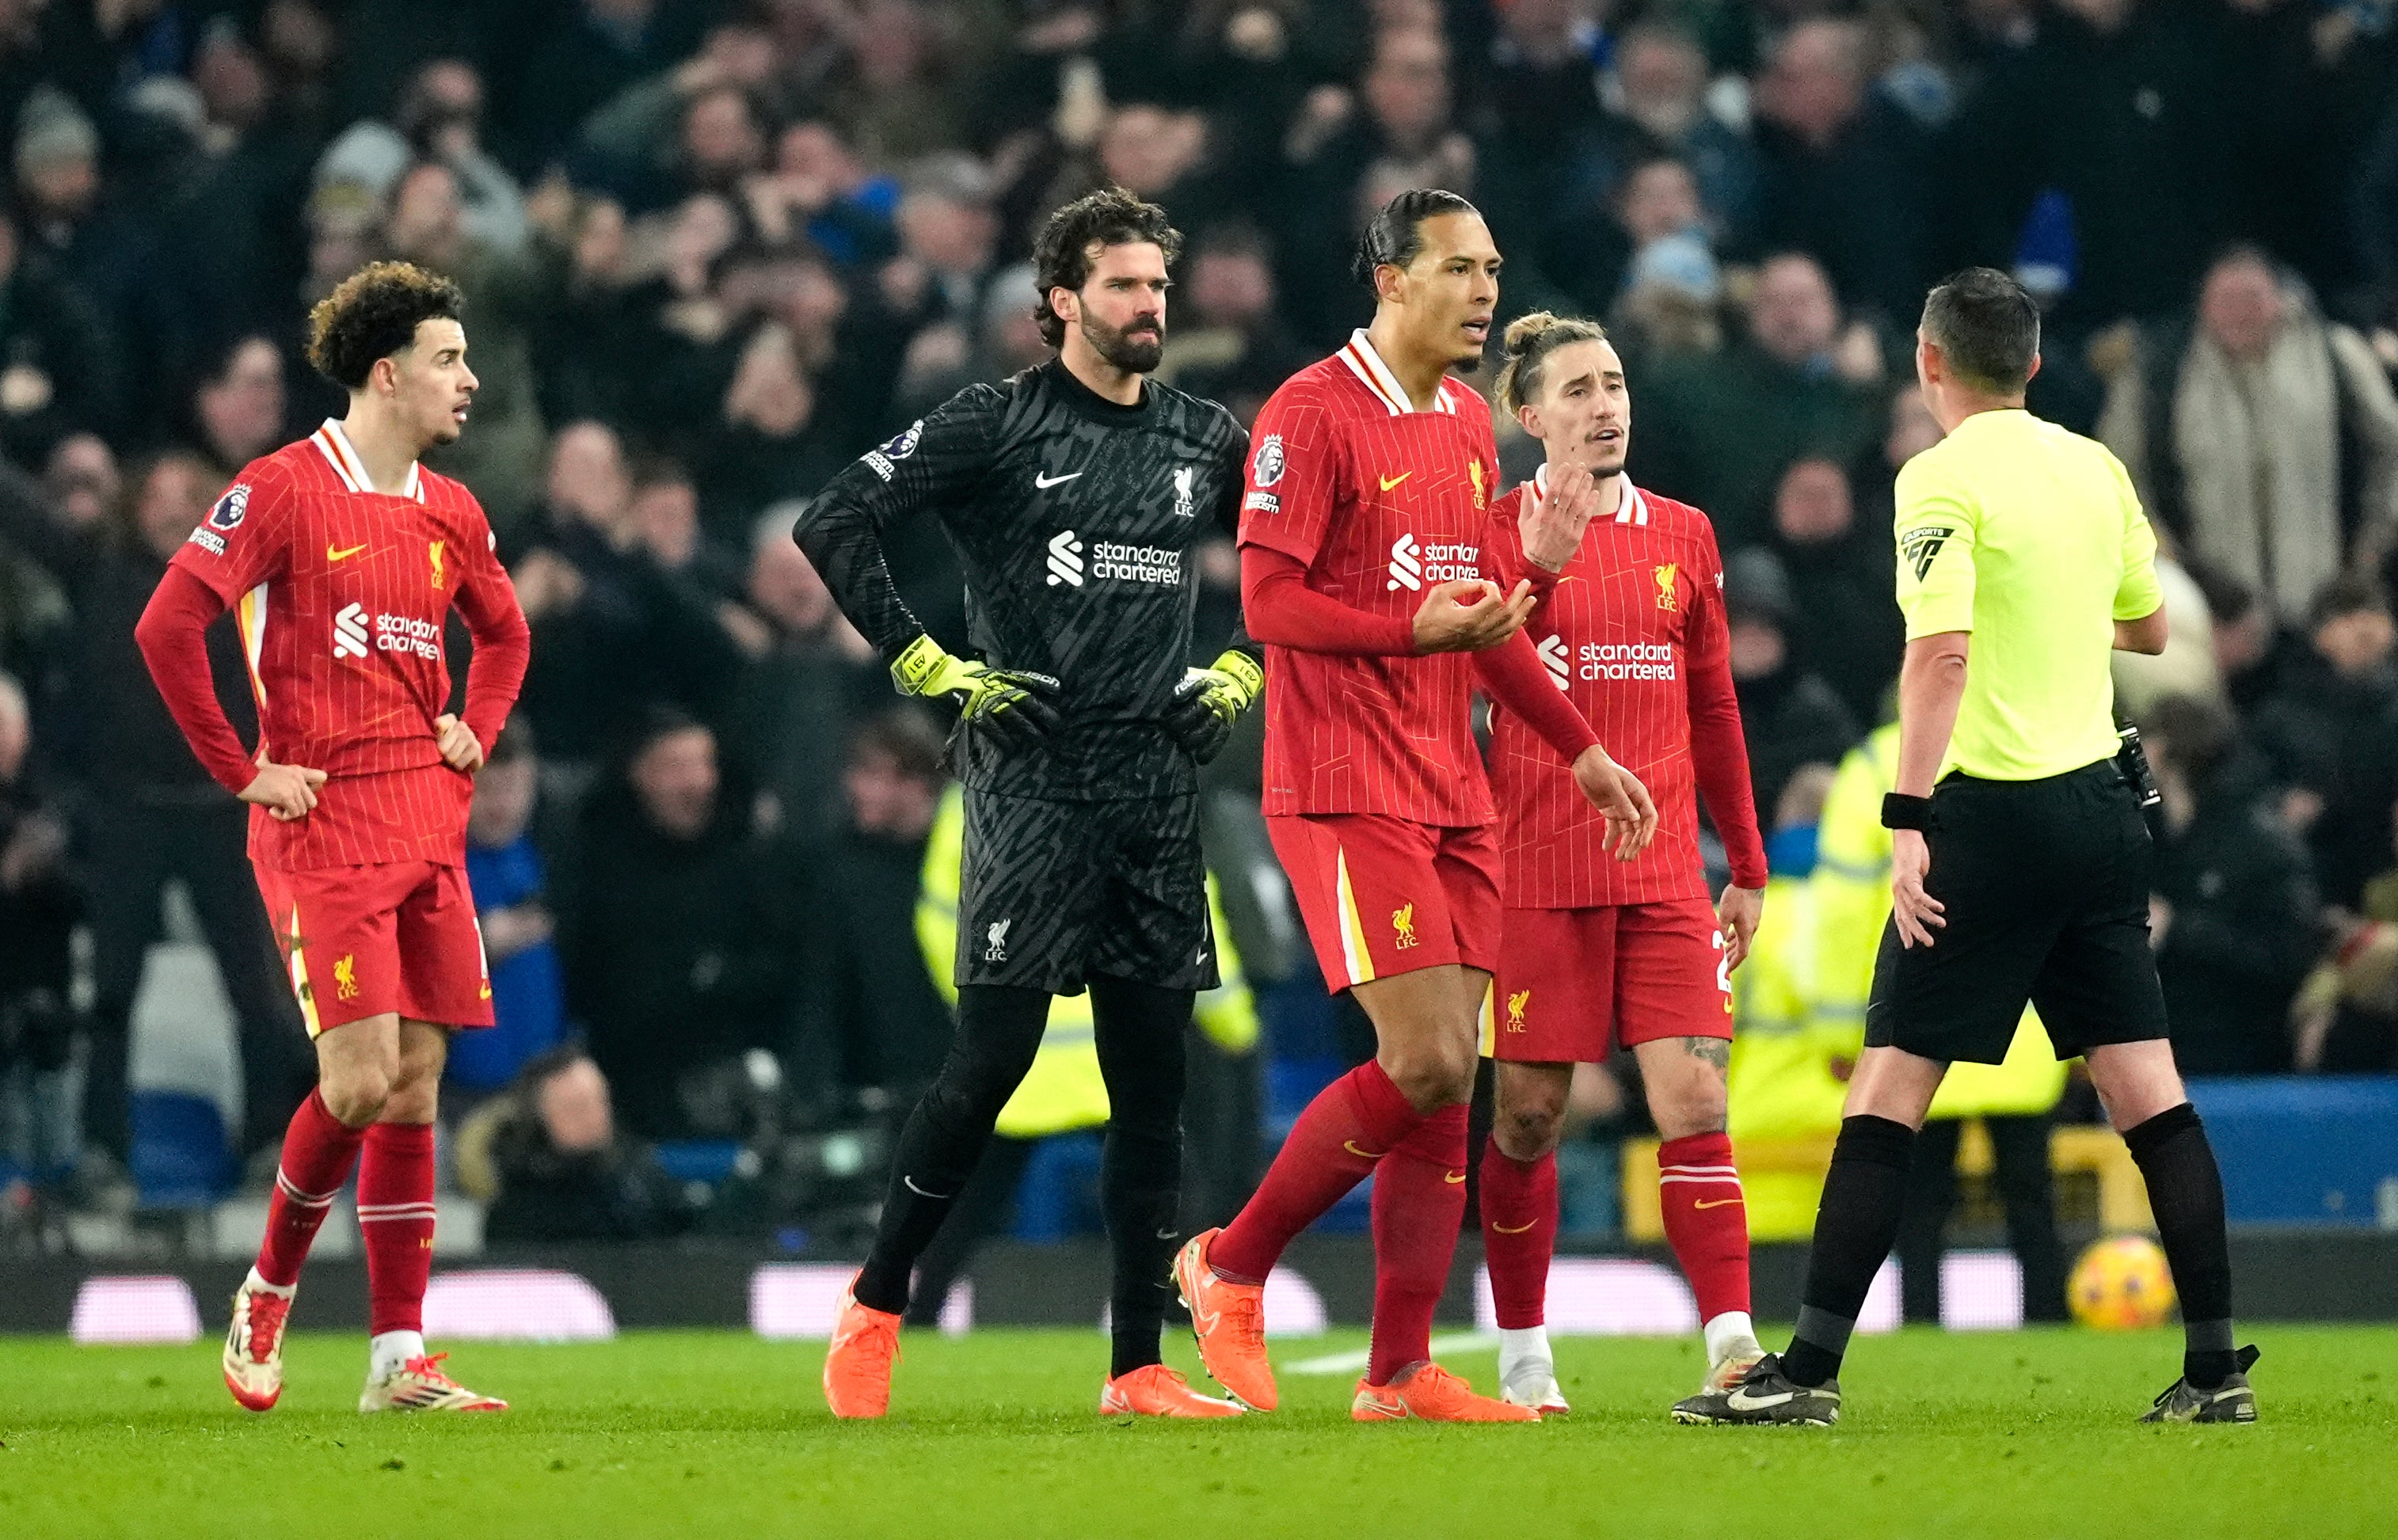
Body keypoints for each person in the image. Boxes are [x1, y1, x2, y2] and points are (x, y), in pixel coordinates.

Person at [1681, 268, 2256, 1427]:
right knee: (2147, 1088)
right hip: (2102, 806)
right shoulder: (2093, 465)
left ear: (1928, 363)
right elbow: (2146, 622)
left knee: (1891, 1088)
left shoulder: (1935, 477)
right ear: (2036, 365)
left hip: (1990, 812)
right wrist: (2052, 603)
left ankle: (1807, 1369)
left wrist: (1906, 821)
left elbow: (1937, 655)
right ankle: (2212, 1372)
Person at [1174, 189, 1657, 1425]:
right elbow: (1272, 607)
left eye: (1494, 266)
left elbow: (1485, 622)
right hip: (1342, 782)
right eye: (1459, 267)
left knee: (1453, 1079)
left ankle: (1397, 1370)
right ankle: (1228, 1264)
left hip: (1456, 784)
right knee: (1432, 1056)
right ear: (1391, 280)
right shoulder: (1309, 412)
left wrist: (1580, 745)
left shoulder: (1461, 425)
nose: (1486, 289)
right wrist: (1410, 627)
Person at [797, 188, 1264, 1420]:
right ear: (1060, 301)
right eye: (1122, 286)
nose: (1148, 305)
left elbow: (1290, 562)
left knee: (1149, 1085)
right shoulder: (995, 425)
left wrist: (1237, 666)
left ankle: (1135, 1367)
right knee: (989, 1063)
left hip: (1156, 789)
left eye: (1158, 285)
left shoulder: (1205, 438)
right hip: (1031, 783)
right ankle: (878, 1298)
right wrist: (927, 662)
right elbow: (834, 517)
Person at [134, 261, 531, 1416]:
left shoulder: (452, 511)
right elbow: (169, 625)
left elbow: (504, 639)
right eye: (451, 357)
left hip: (427, 820)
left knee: (415, 1089)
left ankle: (398, 1356)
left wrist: (477, 731)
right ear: (388, 370)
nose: (471, 379)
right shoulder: (282, 489)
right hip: (322, 822)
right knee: (357, 1080)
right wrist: (242, 770)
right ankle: (267, 1285)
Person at [1465, 311, 1771, 1416]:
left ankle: (1734, 1342)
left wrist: (1745, 861)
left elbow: (1715, 704)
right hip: (1537, 863)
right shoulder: (1495, 532)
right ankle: (1523, 1347)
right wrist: (1539, 576)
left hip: (1664, 876)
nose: (1606, 406)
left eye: (1616, 383)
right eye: (1579, 389)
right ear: (1529, 413)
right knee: (1531, 1115)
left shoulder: (1685, 534)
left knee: (1694, 1096)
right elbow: (1488, 670)